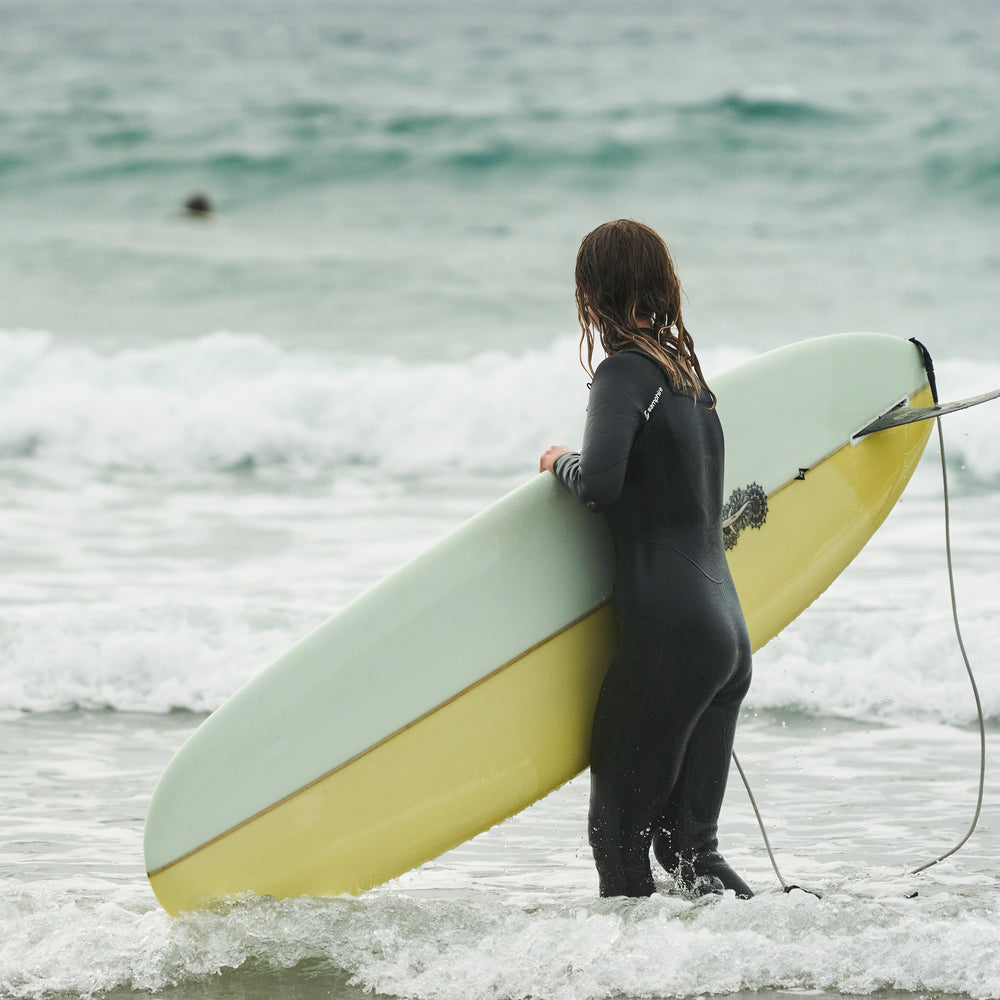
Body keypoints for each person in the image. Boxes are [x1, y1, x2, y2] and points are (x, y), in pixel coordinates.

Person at [539, 219, 753, 899]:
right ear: (661, 286)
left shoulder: (625, 373)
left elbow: (601, 486)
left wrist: (557, 463)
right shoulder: (689, 382)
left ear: (590, 293)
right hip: (726, 635)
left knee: (619, 839)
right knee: (690, 852)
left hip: (670, 634)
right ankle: (755, 963)